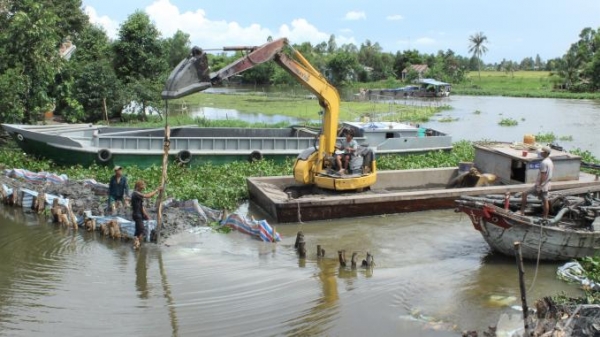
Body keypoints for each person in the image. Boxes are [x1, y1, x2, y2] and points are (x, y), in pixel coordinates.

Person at [520, 146, 554, 218]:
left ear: (545, 153)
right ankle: (545, 216)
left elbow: (543, 176)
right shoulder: (550, 161)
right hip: (547, 184)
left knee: (524, 193)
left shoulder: (544, 163)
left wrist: (539, 187)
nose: (540, 153)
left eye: (542, 152)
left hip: (541, 185)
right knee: (545, 200)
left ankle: (522, 211)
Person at [131, 180, 162, 249]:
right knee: (141, 230)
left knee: (139, 231)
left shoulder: (138, 194)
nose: (143, 188)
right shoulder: (135, 193)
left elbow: (141, 206)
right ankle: (137, 245)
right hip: (137, 215)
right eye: (142, 186)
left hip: (139, 215)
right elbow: (148, 196)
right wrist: (157, 190)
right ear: (138, 186)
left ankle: (137, 244)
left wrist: (146, 215)